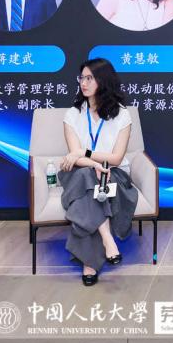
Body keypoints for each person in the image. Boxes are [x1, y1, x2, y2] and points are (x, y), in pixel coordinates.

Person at [58, 58, 138, 286]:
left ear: (103, 81)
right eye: (81, 78)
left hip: (113, 174)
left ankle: (89, 265)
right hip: (77, 172)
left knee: (87, 195)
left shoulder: (122, 115)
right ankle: (107, 238)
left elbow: (116, 158)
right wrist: (93, 164)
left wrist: (86, 153)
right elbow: (75, 158)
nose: (83, 83)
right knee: (86, 176)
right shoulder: (72, 115)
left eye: (89, 78)